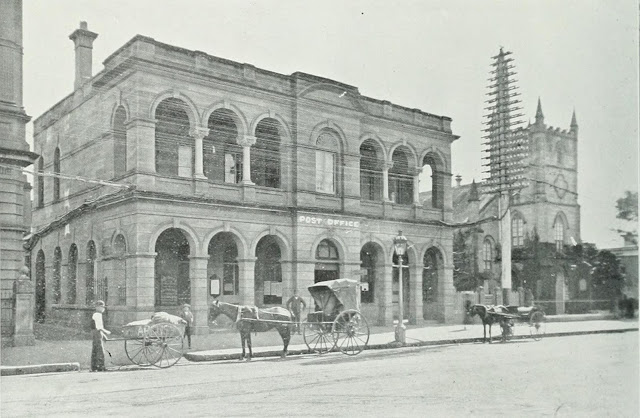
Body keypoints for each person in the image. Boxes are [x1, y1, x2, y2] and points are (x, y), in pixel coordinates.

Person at [90, 300, 111, 372]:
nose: (103, 309)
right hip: (96, 333)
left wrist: (103, 335)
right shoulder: (97, 315)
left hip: (96, 333)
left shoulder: (97, 314)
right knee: (100, 350)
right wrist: (107, 332)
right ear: (97, 307)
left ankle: (94, 367)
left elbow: (99, 328)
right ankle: (101, 366)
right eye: (102, 307)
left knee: (95, 350)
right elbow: (99, 327)